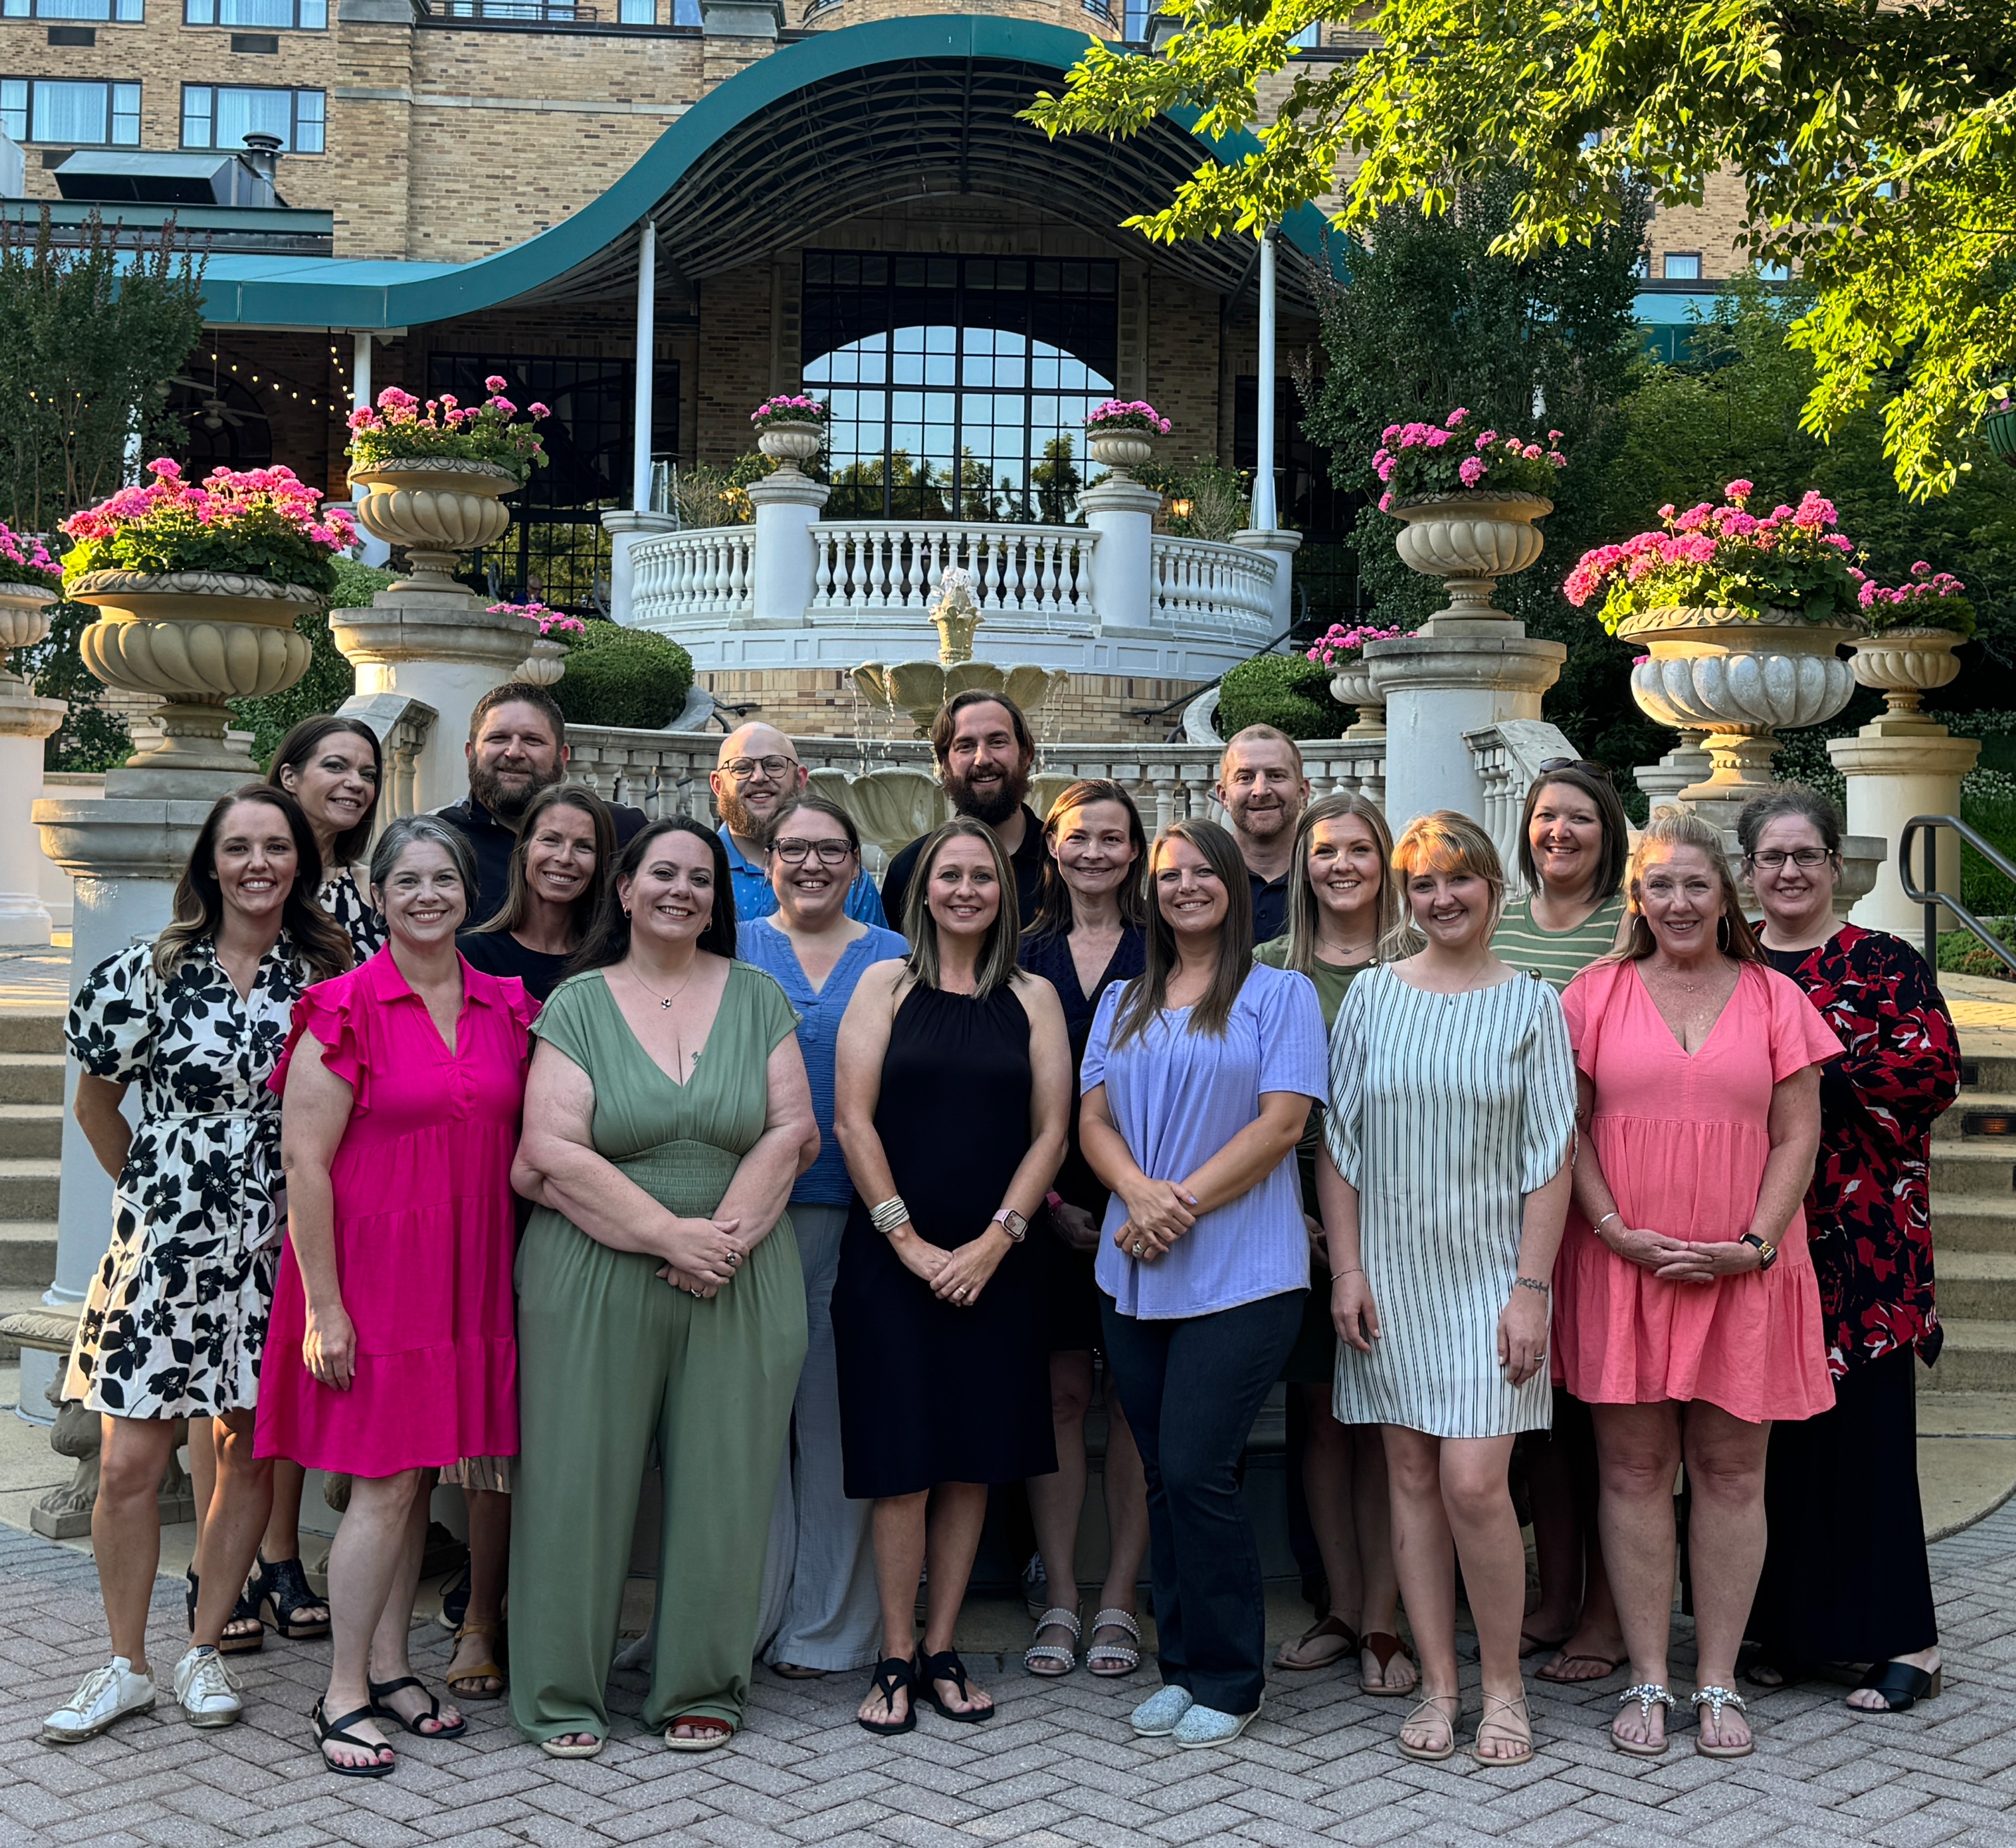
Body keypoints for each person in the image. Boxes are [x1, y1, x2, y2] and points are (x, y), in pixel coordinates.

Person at [40, 787, 352, 1746]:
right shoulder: (150, 968)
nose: (258, 863)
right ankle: (125, 1661)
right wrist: (152, 1195)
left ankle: (204, 1645)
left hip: (276, 1244)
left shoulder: (332, 974)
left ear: (301, 860)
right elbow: (98, 1103)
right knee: (132, 1461)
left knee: (250, 1450)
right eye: (237, 847)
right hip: (165, 1247)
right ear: (210, 864)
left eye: (275, 846)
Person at [509, 817, 816, 1757]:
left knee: (725, 1487)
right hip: (593, 1273)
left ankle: (701, 1685)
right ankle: (562, 1692)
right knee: (574, 1484)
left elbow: (792, 1131)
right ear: (626, 889)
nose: (682, 889)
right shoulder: (577, 1002)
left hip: (740, 1270)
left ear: (717, 901)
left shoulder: (760, 995)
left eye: (700, 878)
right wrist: (666, 1235)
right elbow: (547, 1149)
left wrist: (719, 1240)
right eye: (662, 874)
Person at [1555, 807, 1841, 1761]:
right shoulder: (1593, 994)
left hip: (1741, 1268)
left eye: (1694, 884)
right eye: (1657, 885)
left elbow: (1799, 1132)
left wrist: (1754, 1243)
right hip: (1620, 1263)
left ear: (1725, 895)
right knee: (1633, 1470)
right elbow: (1569, 1126)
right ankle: (1647, 1674)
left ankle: (1714, 1677)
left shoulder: (1772, 997)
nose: (1676, 901)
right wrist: (1611, 1231)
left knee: (1728, 1472)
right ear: (1634, 897)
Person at [257, 814, 535, 1776]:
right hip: (372, 1274)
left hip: (466, 1269)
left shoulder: (507, 1003)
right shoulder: (342, 1005)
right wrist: (325, 1306)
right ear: (377, 897)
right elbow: (305, 1163)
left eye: (443, 880)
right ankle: (340, 1693)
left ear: (470, 893)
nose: (427, 895)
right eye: (406, 880)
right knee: (382, 1482)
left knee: (420, 1474)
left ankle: (389, 1664)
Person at [1322, 811, 1576, 1768]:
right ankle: (1437, 1680)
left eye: (1458, 880)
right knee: (1411, 1478)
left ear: (1492, 889)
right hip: (1389, 1276)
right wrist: (1346, 1269)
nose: (1441, 898)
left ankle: (1502, 1683)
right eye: (1422, 884)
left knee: (1475, 1483)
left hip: (1488, 1276)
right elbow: (1337, 1148)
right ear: (1405, 896)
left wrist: (1529, 1288)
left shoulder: (1530, 1005)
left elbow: (1550, 1157)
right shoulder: (1370, 1000)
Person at [1078, 817, 1327, 1750]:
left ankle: (1231, 1676)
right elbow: (1092, 1115)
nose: (1183, 885)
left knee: (1197, 1467)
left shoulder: (1279, 992)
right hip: (1134, 1268)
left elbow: (1279, 1126)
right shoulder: (1124, 1000)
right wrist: (1135, 1194)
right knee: (1159, 1476)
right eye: (1168, 873)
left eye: (1201, 872)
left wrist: (1170, 1202)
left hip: (1242, 1270)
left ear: (1231, 884)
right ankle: (1181, 1664)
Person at [832, 818, 1070, 1736]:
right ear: (922, 888)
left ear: (1002, 893)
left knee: (971, 1460)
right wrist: (909, 1242)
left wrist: (994, 1241)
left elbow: (1050, 1130)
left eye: (981, 875)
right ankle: (892, 1654)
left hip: (997, 1264)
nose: (965, 888)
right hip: (892, 1260)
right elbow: (853, 1120)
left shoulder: (1033, 996)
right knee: (903, 1464)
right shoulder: (881, 984)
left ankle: (940, 1646)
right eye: (948, 875)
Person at [1738, 787, 1959, 1714]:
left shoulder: (1881, 960)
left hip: (1862, 1238)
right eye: (1770, 856)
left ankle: (1907, 1636)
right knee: (1771, 1445)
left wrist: (1805, 1071)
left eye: (1805, 855)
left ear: (1834, 865)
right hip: (1752, 1233)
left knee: (1864, 1441)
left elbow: (1931, 1071)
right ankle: (1790, 1626)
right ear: (1746, 870)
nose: (1788, 871)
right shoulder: (1728, 958)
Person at [740, 793, 907, 1681]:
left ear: (855, 862)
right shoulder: (730, 942)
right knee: (752, 1425)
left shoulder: (892, 954)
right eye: (793, 849)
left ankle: (827, 1627)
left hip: (860, 1215)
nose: (811, 864)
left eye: (830, 849)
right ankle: (747, 1612)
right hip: (751, 1215)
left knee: (837, 1418)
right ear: (768, 857)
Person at [233, 716, 390, 1658]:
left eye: (368, 771)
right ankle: (243, 1558)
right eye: (335, 765)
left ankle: (278, 1552)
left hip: (333, 1149)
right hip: (247, 1154)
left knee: (291, 1357)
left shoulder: (363, 896)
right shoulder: (259, 878)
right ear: (288, 770)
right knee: (240, 1373)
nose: (355, 783)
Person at [1256, 793, 1417, 1698]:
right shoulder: (1266, 968)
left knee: (1388, 1428)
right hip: (1293, 1223)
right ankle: (1341, 1605)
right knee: (1319, 1420)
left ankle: (1387, 1620)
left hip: (1404, 1223)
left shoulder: (1417, 963)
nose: (1341, 865)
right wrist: (1295, 1214)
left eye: (1359, 849)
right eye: (1326, 851)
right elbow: (1240, 1108)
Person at [1491, 761, 1634, 1687]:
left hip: (1604, 1187)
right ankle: (1552, 1590)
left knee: (1600, 1415)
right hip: (1501, 1194)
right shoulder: (1496, 918)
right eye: (1544, 816)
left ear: (1606, 831)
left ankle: (1605, 1613)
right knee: (1534, 1413)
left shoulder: (1628, 923)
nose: (1557, 833)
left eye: (1577, 819)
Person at [1015, 781, 1152, 1682]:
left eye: (1113, 837)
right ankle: (1061, 1593)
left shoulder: (1168, 948)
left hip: (1151, 1209)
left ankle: (1120, 1598)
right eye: (1078, 836)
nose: (1095, 851)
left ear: (1135, 851)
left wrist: (1132, 1202)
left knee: (1134, 1407)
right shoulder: (1020, 951)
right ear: (1053, 850)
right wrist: (1051, 1206)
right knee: (1060, 1399)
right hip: (1045, 1207)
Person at [434, 682, 646, 923]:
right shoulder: (439, 840)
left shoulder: (624, 830)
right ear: (470, 753)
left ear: (563, 756)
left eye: (533, 740)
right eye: (498, 738)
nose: (514, 752)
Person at [878, 691, 1046, 929]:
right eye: (966, 746)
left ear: (1027, 754)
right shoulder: (911, 869)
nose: (982, 759)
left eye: (997, 742)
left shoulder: (1065, 864)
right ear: (945, 764)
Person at [712, 721, 885, 926]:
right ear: (718, 785)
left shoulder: (848, 877)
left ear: (800, 779)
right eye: (742, 767)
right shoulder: (700, 869)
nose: (759, 777)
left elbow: (876, 950)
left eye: (774, 765)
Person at [460, 784, 615, 1004]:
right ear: (524, 849)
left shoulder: (610, 966)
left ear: (600, 861)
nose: (565, 858)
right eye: (551, 840)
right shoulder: (468, 957)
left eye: (584, 847)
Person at [1214, 725, 1310, 945]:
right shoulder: (1204, 879)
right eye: (1245, 778)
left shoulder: (1326, 878)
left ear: (1303, 792)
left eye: (1276, 776)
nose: (1260, 790)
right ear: (1224, 796)